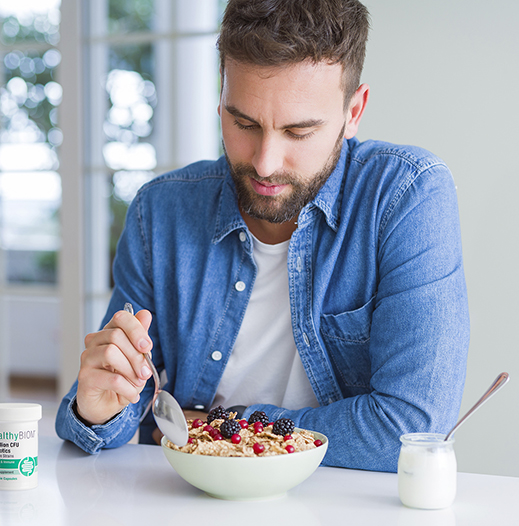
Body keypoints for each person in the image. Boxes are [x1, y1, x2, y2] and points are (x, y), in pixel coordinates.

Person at [56, 0, 469, 472]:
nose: (266, 162)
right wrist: (96, 407)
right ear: (221, 97)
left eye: (298, 131)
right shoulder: (161, 212)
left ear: (353, 111)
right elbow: (116, 410)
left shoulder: (405, 198)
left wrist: (221, 427)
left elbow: (413, 429)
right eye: (244, 123)